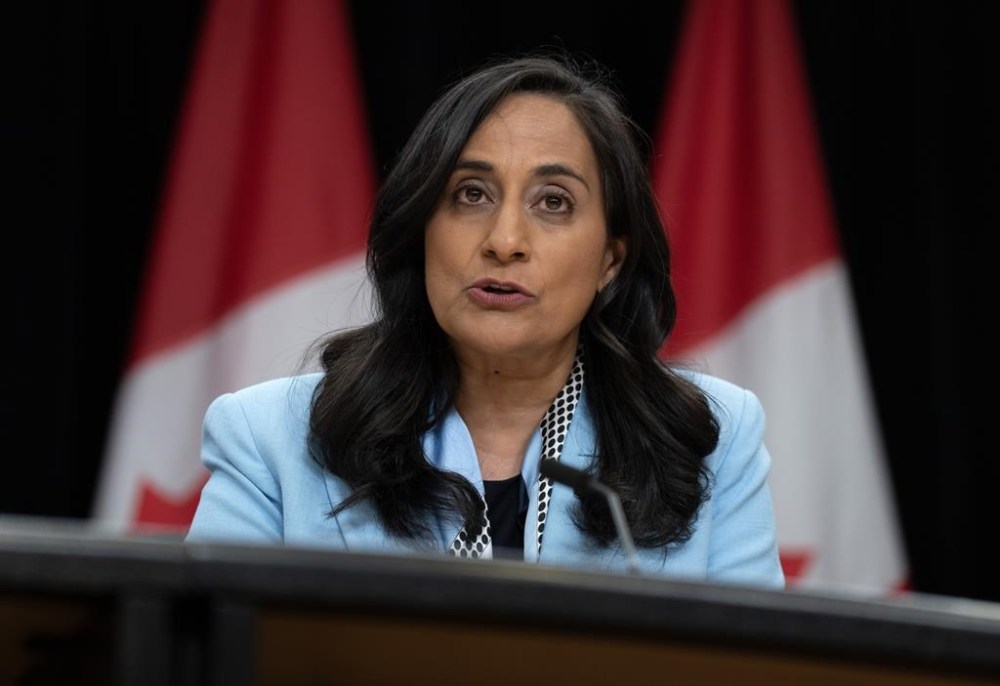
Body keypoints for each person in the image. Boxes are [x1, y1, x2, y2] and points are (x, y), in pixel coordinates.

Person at [185, 51, 785, 589]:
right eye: (470, 194)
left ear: (610, 259)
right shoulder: (270, 442)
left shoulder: (712, 440)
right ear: (422, 229)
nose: (505, 241)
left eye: (554, 202)